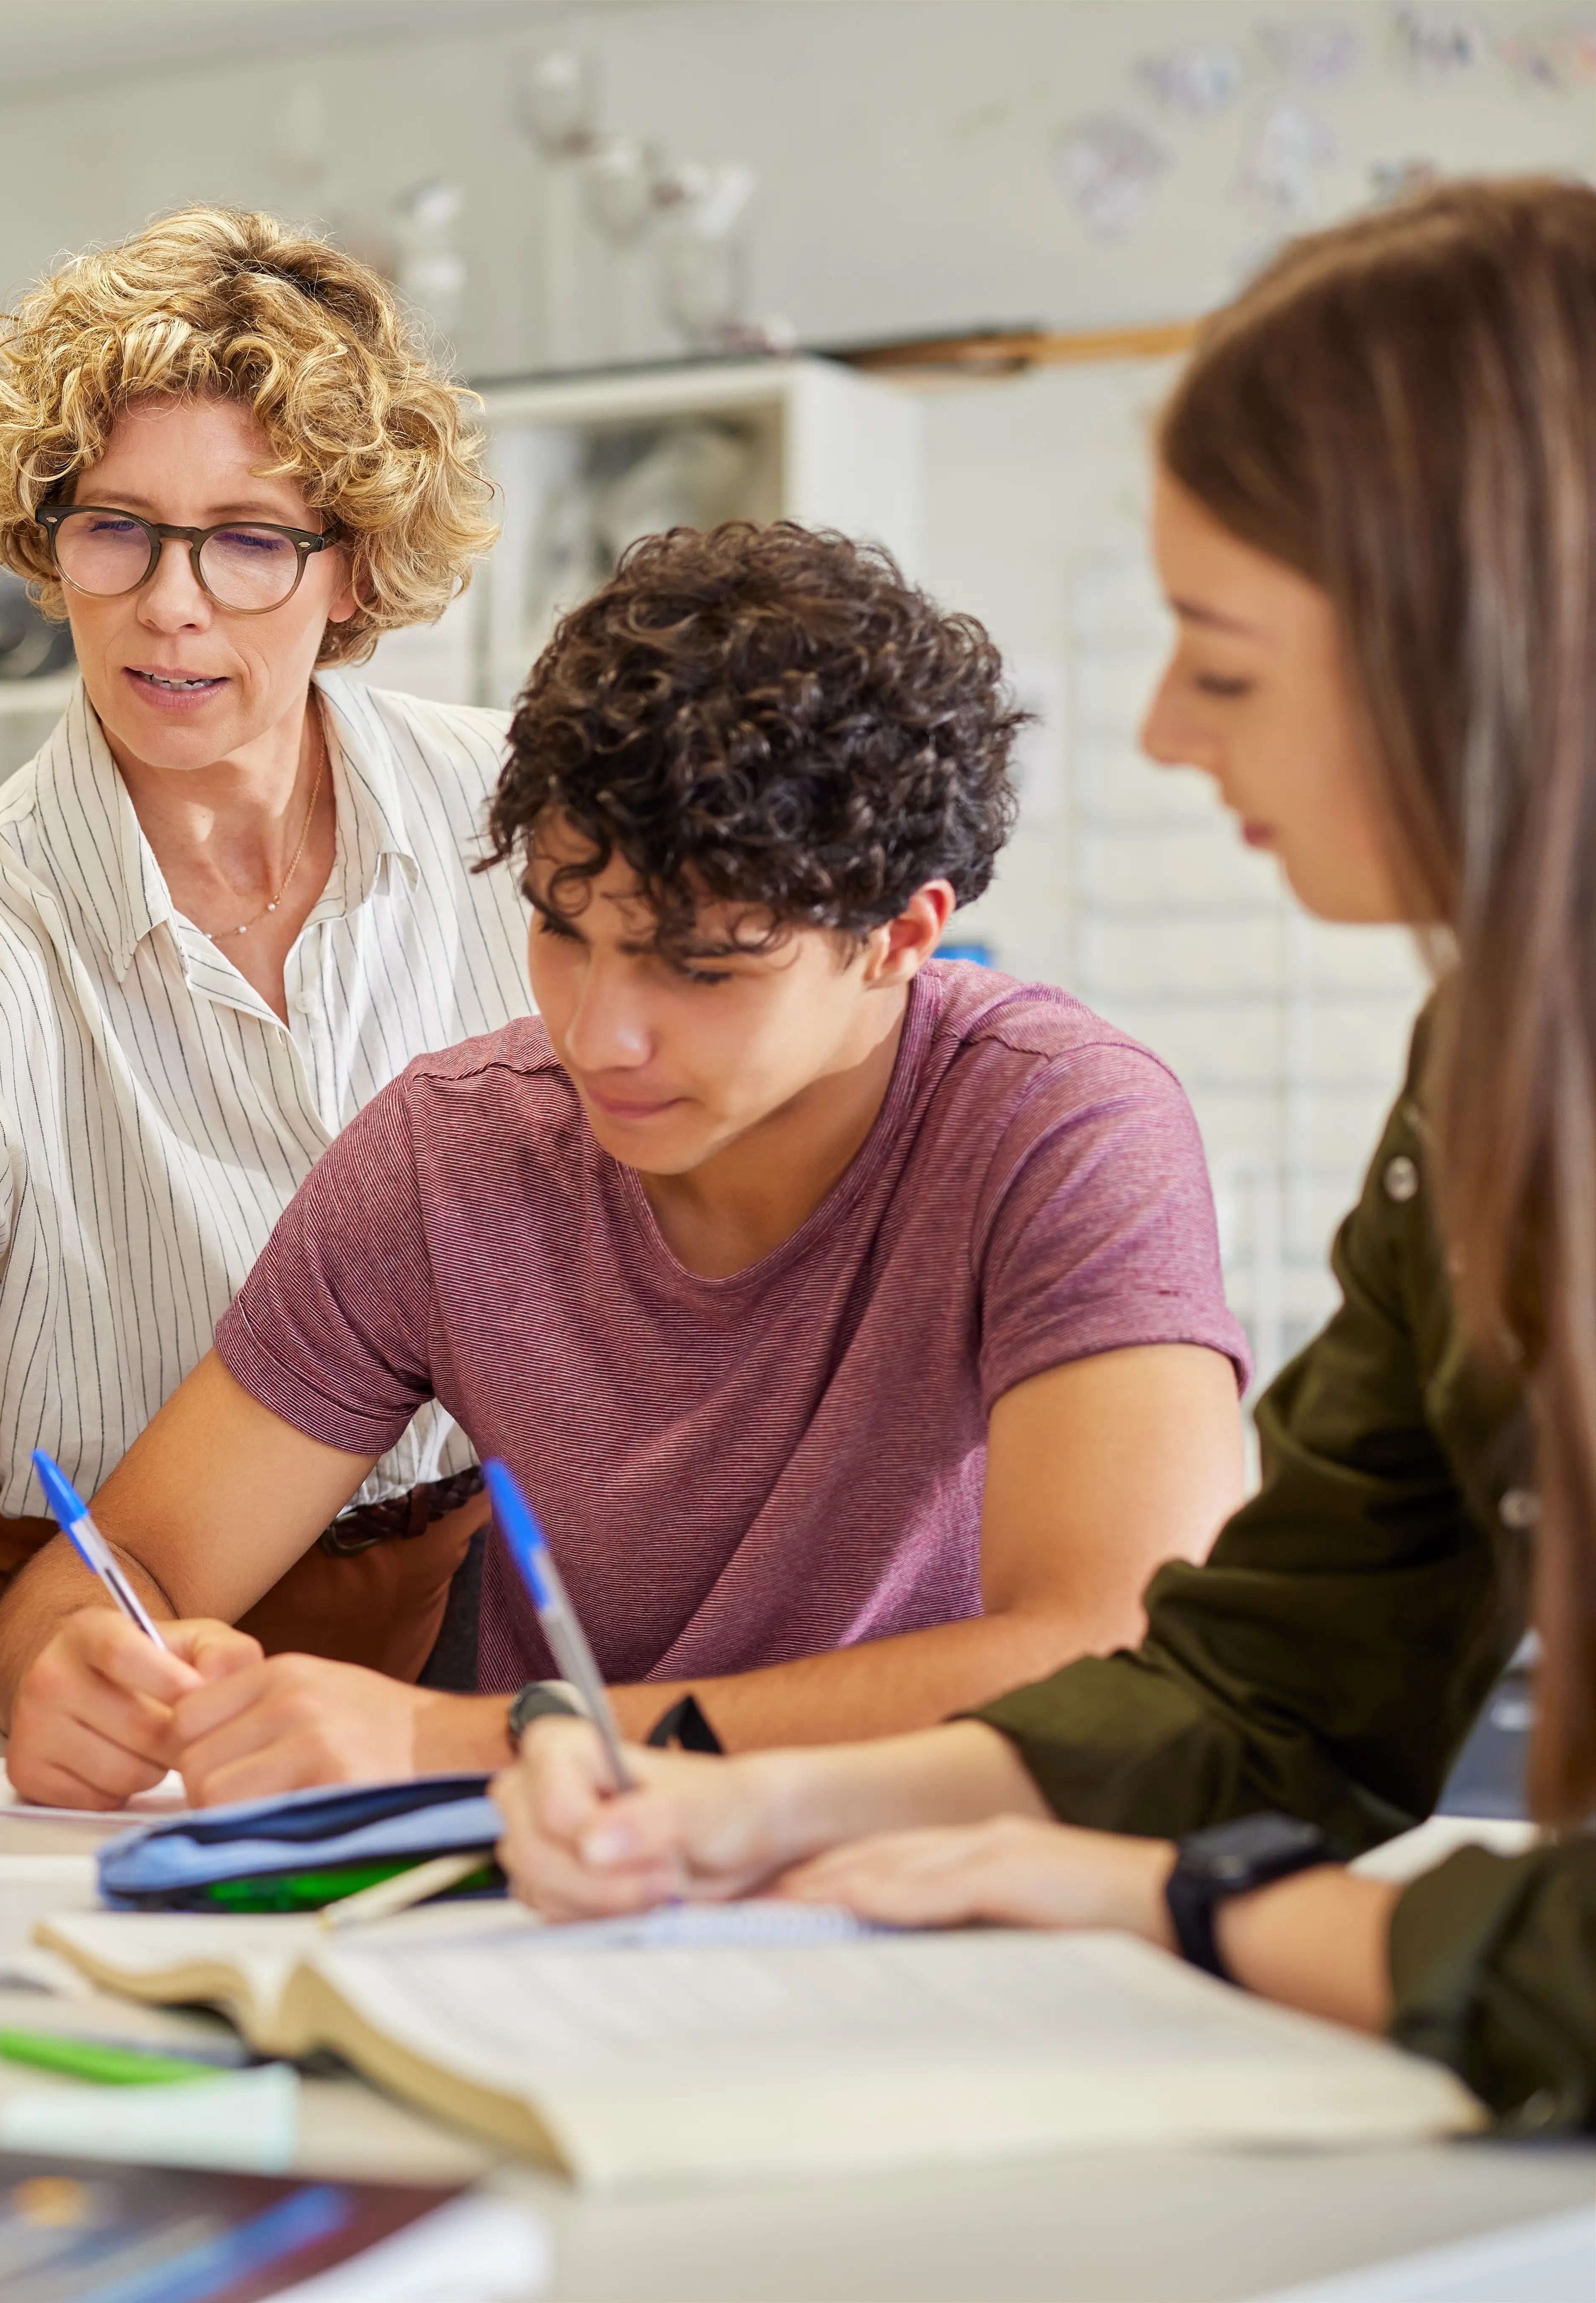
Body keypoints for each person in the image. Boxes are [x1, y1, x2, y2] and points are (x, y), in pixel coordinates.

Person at [494, 178, 1596, 2127]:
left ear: (1489, 657)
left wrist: (1188, 1910)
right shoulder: (1489, 1076)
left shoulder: (1073, 1112)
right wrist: (753, 1809)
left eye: (1227, 661)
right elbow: (1274, 1682)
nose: (1169, 731)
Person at [0, 523, 1254, 1809]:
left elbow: (1115, 1661)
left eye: (698, 966)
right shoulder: (452, 1156)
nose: (600, 1033)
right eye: (561, 926)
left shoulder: (1060, 1128)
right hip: (542, 1907)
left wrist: (458, 1745)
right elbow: (124, 1565)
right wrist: (76, 1666)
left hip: (923, 1892)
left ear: (900, 935)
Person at [0, 206, 536, 1832]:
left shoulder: (517, 824)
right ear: (45, 541)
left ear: (348, 562)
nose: (170, 604)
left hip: (488, 1589)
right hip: (113, 1627)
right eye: (117, 529)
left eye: (249, 537)